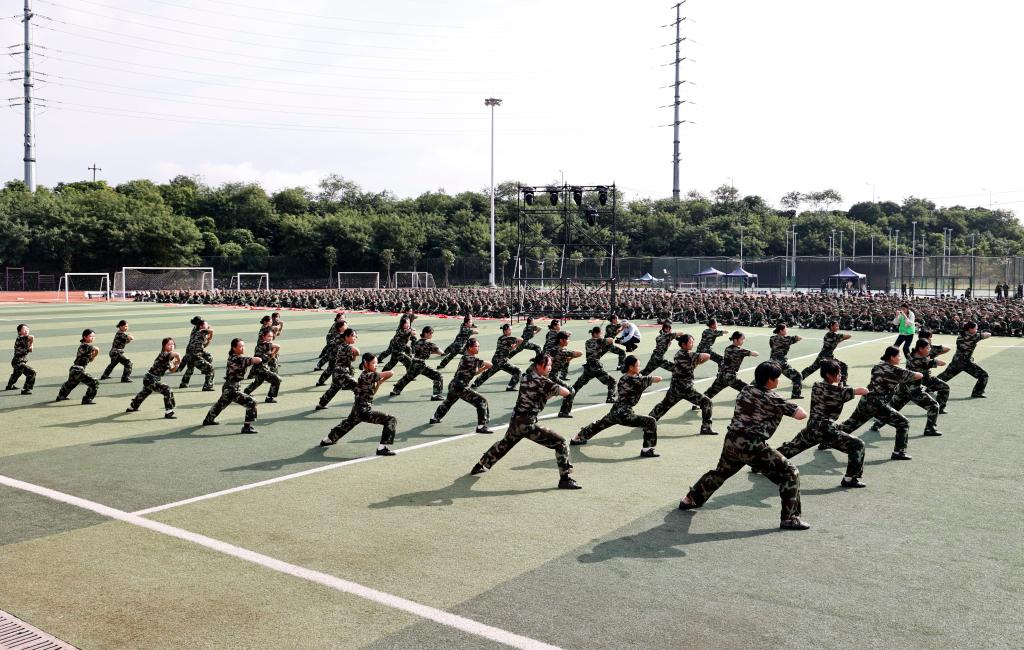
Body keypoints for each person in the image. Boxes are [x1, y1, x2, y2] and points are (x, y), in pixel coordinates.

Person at [678, 362, 810, 530]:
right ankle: (790, 518)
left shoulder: (746, 389)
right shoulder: (773, 398)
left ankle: (690, 499)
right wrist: (784, 403)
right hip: (752, 444)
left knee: (721, 473)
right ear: (770, 380)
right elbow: (801, 415)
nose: (778, 381)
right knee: (790, 473)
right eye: (776, 378)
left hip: (732, 440)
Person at [470, 354, 580, 489]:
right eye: (548, 365)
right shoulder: (544, 382)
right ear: (539, 365)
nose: (550, 368)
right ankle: (565, 479)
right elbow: (566, 392)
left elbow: (537, 392)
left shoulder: (526, 377)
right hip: (527, 423)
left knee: (504, 444)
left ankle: (479, 465)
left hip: (516, 420)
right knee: (561, 443)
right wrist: (557, 385)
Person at [775, 360, 869, 488]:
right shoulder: (839, 392)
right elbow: (864, 390)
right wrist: (842, 386)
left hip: (812, 427)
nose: (840, 375)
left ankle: (762, 464)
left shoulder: (816, 385)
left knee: (791, 448)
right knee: (858, 445)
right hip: (826, 430)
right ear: (829, 375)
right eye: (837, 373)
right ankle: (850, 478)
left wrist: (840, 385)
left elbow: (834, 391)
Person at [836, 346, 923, 460]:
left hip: (866, 399)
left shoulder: (878, 366)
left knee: (851, 423)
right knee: (903, 423)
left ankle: (827, 440)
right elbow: (918, 375)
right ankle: (899, 452)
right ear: (892, 357)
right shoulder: (895, 370)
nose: (900, 358)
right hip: (878, 404)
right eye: (898, 355)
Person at [571, 355, 663, 457]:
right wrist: (644, 377)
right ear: (631, 367)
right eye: (637, 366)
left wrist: (640, 375)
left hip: (616, 410)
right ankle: (647, 450)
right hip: (625, 414)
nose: (639, 368)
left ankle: (577, 438)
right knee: (650, 421)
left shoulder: (623, 378)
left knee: (599, 424)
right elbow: (658, 378)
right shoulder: (639, 380)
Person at [319, 353, 398, 456]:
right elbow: (391, 372)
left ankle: (327, 440)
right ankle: (382, 448)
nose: (376, 365)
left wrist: (379, 383)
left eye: (377, 363)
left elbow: (372, 393)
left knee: (347, 424)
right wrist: (381, 381)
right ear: (365, 363)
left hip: (357, 409)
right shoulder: (369, 375)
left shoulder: (365, 375)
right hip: (363, 410)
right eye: (373, 363)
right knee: (391, 419)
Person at [868, 339, 945, 437]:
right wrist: (930, 359)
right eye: (927, 348)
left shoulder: (910, 356)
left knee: (893, 408)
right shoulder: (924, 360)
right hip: (914, 390)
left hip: (903, 389)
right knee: (934, 406)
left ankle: (877, 424)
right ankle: (930, 429)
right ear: (920, 349)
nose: (929, 349)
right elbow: (942, 363)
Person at [649, 334, 717, 435]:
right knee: (707, 402)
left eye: (692, 342)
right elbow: (707, 356)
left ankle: (648, 421)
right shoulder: (689, 355)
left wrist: (695, 363)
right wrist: (698, 362)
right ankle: (706, 427)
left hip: (675, 387)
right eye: (690, 342)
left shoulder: (678, 354)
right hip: (686, 388)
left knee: (663, 406)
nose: (692, 344)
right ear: (684, 344)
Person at [429, 338, 493, 433]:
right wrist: (485, 366)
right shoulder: (471, 359)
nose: (478, 348)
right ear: (470, 348)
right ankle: (481, 426)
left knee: (448, 402)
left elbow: (472, 373)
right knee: (482, 401)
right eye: (476, 346)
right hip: (460, 386)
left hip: (454, 385)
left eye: (478, 346)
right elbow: (490, 364)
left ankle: (435, 418)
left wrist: (482, 369)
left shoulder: (465, 358)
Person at [202, 338, 262, 433]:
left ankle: (208, 420)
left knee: (220, 404)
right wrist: (262, 357)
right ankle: (247, 427)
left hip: (230, 387)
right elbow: (256, 360)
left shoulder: (235, 357)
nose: (243, 348)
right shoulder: (237, 358)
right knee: (251, 402)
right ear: (234, 348)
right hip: (232, 388)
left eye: (243, 346)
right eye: (240, 346)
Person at [558, 327, 618, 417]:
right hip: (596, 367)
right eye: (600, 333)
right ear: (596, 334)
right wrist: (603, 339)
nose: (601, 335)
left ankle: (566, 403)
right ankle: (610, 398)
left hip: (589, 367)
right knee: (612, 381)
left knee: (577, 386)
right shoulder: (599, 341)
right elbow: (610, 340)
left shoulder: (588, 341)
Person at [126, 337, 181, 418]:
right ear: (164, 346)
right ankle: (169, 412)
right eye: (169, 344)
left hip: (150, 378)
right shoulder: (164, 354)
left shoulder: (169, 357)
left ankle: (132, 407)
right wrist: (179, 360)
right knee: (167, 389)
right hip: (150, 379)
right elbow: (177, 354)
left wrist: (177, 365)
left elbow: (172, 370)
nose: (171, 346)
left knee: (145, 392)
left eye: (172, 344)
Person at [935, 321, 991, 398]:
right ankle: (977, 392)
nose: (976, 330)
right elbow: (988, 335)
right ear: (970, 329)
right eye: (975, 328)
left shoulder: (961, 335)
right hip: (966, 362)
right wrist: (981, 332)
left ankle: (929, 388)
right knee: (983, 376)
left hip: (956, 360)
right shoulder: (974, 336)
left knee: (944, 376)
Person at [390, 325, 444, 400]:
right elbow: (441, 352)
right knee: (438, 375)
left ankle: (396, 390)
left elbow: (422, 351)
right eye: (431, 333)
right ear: (426, 333)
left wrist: (430, 352)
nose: (431, 335)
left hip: (413, 363)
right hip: (420, 365)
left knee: (407, 377)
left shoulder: (417, 342)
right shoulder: (429, 344)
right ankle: (436, 395)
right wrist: (442, 353)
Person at [703, 331, 758, 401]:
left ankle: (698, 403)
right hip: (730, 377)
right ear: (735, 340)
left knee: (710, 393)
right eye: (741, 339)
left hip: (721, 376)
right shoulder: (740, 351)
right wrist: (753, 352)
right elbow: (755, 354)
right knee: (748, 390)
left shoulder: (727, 348)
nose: (743, 341)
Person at [316, 328, 360, 410]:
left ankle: (321, 404)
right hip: (342, 373)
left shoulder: (344, 346)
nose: (355, 338)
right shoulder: (346, 346)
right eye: (353, 336)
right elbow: (358, 352)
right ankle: (359, 408)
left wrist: (354, 355)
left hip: (337, 372)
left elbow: (352, 359)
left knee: (333, 389)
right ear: (346, 336)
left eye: (355, 336)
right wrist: (355, 352)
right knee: (358, 388)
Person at [471, 324, 523, 391]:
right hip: (501, 361)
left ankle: (474, 384)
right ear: (505, 331)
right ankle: (511, 387)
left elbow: (508, 348)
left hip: (497, 360)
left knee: (488, 373)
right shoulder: (507, 338)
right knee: (518, 371)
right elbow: (521, 340)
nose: (511, 331)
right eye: (509, 330)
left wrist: (514, 346)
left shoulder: (501, 338)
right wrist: (516, 345)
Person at [56, 329, 101, 404]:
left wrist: (93, 355)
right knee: (94, 382)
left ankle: (61, 396)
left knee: (71, 384)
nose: (93, 338)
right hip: (78, 370)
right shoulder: (85, 346)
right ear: (85, 337)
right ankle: (87, 399)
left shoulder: (87, 347)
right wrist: (96, 353)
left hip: (75, 369)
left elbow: (91, 359)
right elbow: (96, 349)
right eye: (91, 336)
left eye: (94, 336)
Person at [799, 320, 851, 384]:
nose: (838, 327)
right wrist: (842, 339)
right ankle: (843, 383)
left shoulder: (830, 335)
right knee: (843, 366)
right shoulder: (833, 335)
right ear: (831, 326)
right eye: (836, 326)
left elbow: (834, 342)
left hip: (824, 355)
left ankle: (798, 378)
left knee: (813, 368)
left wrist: (839, 340)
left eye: (838, 326)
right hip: (826, 356)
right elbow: (849, 336)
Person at [244, 329, 282, 403]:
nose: (270, 338)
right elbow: (278, 346)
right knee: (277, 379)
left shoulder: (263, 344)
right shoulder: (265, 344)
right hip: (260, 369)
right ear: (263, 337)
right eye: (268, 336)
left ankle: (246, 392)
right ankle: (269, 397)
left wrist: (272, 354)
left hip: (258, 368)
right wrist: (273, 353)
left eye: (271, 336)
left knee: (259, 381)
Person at [179, 317, 215, 391]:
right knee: (210, 369)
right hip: (195, 354)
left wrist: (209, 338)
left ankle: (184, 383)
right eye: (206, 324)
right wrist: (210, 335)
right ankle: (207, 386)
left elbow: (203, 345)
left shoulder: (197, 330)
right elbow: (211, 330)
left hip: (191, 353)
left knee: (207, 357)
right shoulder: (202, 331)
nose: (208, 325)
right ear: (200, 325)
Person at [768, 323, 803, 399]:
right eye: (785, 329)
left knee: (764, 377)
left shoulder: (772, 338)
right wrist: (796, 336)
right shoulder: (787, 339)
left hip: (771, 361)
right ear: (781, 331)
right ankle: (796, 394)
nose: (786, 331)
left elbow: (772, 346)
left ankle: (751, 388)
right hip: (781, 363)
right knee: (797, 376)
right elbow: (798, 338)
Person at [5, 323, 35, 395]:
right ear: (19, 332)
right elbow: (32, 337)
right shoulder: (20, 338)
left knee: (16, 374)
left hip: (17, 361)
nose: (26, 331)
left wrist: (30, 344)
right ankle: (26, 389)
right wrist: (31, 342)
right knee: (31, 372)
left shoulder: (24, 340)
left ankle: (9, 386)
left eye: (28, 329)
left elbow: (30, 349)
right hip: (18, 362)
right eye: (24, 329)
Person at [316, 319, 348, 386]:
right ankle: (342, 384)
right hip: (335, 355)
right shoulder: (339, 336)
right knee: (335, 369)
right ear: (340, 328)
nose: (347, 326)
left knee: (330, 369)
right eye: (345, 325)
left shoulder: (340, 335)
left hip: (335, 355)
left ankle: (320, 382)